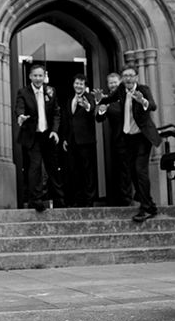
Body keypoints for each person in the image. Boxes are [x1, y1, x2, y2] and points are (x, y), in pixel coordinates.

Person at [93, 65, 161, 222]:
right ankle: (150, 204)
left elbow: (152, 105)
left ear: (136, 77)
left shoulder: (143, 89)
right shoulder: (122, 89)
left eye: (131, 75)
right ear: (123, 79)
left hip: (143, 137)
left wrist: (141, 100)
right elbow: (108, 99)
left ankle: (145, 208)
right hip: (128, 138)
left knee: (140, 170)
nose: (128, 78)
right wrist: (98, 98)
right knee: (132, 171)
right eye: (125, 76)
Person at [15, 64, 65, 212]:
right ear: (30, 76)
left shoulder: (51, 91)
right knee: (35, 167)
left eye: (40, 76)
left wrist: (55, 131)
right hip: (33, 136)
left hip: (48, 135)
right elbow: (19, 108)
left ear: (44, 77)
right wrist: (20, 116)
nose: (38, 78)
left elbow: (56, 113)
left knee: (53, 168)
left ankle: (59, 200)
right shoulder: (23, 92)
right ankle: (35, 201)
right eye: (35, 76)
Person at [96, 72, 133, 206]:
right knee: (123, 170)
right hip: (119, 140)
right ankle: (126, 199)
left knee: (137, 169)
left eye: (115, 82)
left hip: (134, 137)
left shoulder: (129, 95)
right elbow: (99, 119)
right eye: (110, 83)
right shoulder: (107, 100)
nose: (113, 85)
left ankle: (140, 196)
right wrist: (101, 110)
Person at [62, 74, 97, 207]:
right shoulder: (69, 99)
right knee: (74, 172)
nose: (78, 86)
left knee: (88, 172)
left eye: (81, 84)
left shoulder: (90, 98)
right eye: (77, 83)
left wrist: (87, 106)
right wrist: (65, 138)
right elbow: (67, 120)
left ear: (85, 86)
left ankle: (89, 200)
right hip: (71, 142)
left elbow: (92, 108)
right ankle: (78, 199)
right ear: (73, 84)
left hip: (86, 141)